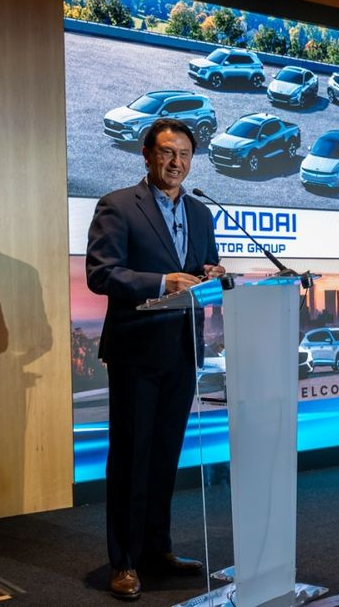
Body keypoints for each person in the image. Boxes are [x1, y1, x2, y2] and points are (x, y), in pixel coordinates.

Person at [86, 118, 226, 600]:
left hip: (183, 348)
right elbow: (101, 274)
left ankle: (156, 549)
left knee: (165, 455)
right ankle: (124, 561)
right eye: (167, 152)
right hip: (137, 351)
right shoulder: (119, 205)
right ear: (146, 155)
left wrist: (211, 273)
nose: (176, 162)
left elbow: (201, 268)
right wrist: (161, 282)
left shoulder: (201, 213)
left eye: (184, 154)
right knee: (132, 457)